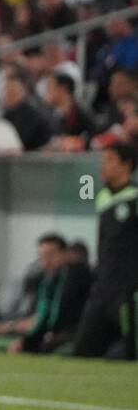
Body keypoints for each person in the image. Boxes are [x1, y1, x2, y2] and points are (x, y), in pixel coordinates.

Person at [73, 142, 138, 359]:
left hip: (127, 291)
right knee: (83, 350)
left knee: (131, 352)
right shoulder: (101, 197)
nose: (103, 165)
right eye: (102, 160)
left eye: (109, 160)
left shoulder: (134, 197)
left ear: (127, 165)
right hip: (102, 288)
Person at [7, 234, 91, 354]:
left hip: (75, 335)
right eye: (42, 256)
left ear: (65, 253)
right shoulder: (48, 280)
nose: (45, 261)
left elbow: (58, 314)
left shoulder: (76, 274)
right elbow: (44, 315)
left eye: (50, 255)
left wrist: (30, 341)